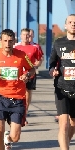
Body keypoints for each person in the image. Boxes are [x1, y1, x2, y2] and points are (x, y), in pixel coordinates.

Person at [0, 29, 35, 150]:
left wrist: (27, 75)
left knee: (15, 137)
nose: (8, 44)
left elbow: (32, 69)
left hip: (18, 99)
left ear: (14, 41)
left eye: (10, 41)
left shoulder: (21, 55)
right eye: (5, 41)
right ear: (0, 41)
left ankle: (8, 139)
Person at [49, 14, 75, 150]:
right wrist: (52, 70)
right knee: (64, 123)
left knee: (73, 124)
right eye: (70, 22)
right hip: (62, 87)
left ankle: (65, 143)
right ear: (65, 25)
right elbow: (52, 62)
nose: (73, 24)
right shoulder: (58, 43)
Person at [15, 28, 43, 124]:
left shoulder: (35, 47)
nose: (26, 37)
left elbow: (39, 59)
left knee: (27, 95)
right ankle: (16, 114)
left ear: (30, 36)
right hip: (17, 75)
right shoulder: (15, 47)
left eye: (28, 35)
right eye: (24, 35)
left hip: (29, 75)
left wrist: (35, 66)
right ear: (20, 36)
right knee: (17, 95)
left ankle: (24, 115)